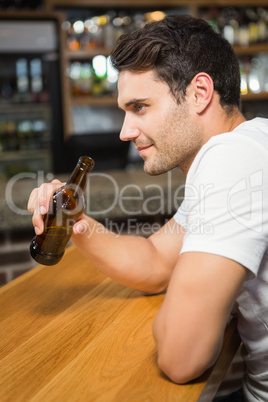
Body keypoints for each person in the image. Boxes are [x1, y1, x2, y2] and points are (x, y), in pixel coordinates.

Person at [27, 14, 268, 401]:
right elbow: (157, 261)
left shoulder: (232, 159)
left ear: (200, 93)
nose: (125, 131)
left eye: (139, 107)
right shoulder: (250, 142)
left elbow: (181, 356)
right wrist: (76, 222)